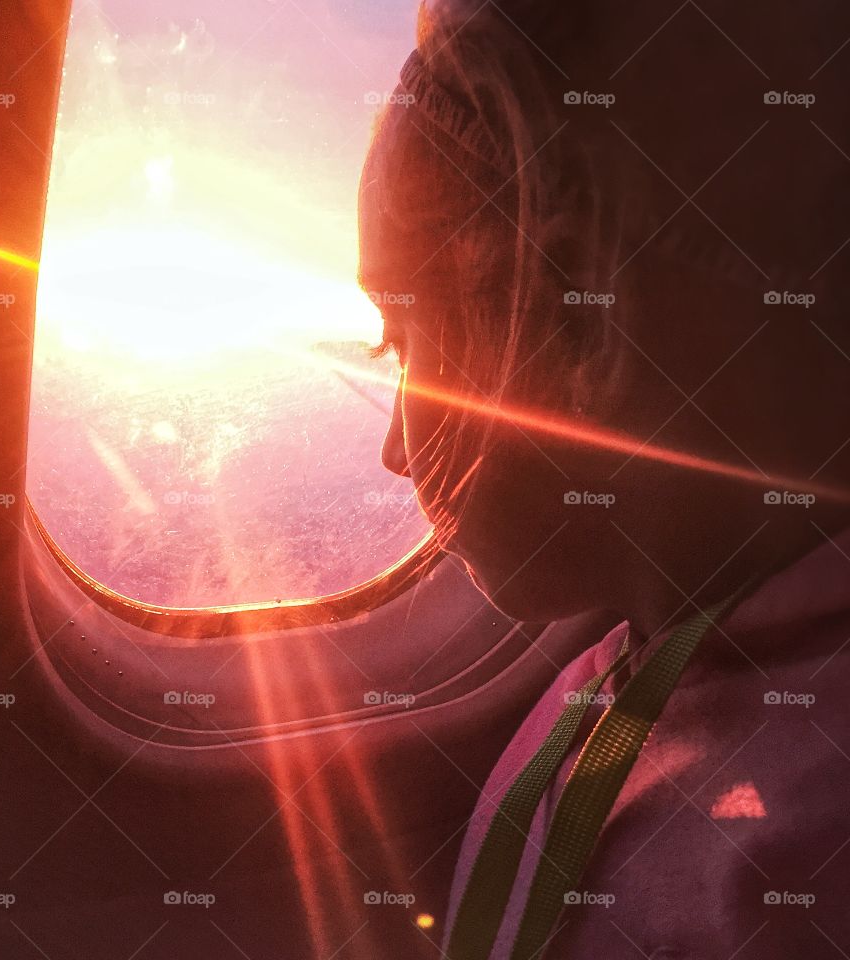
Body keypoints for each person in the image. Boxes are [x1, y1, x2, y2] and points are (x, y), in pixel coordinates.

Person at [358, 1, 850, 956]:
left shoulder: (797, 863)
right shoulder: (624, 676)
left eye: (404, 339)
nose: (392, 448)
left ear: (581, 318)